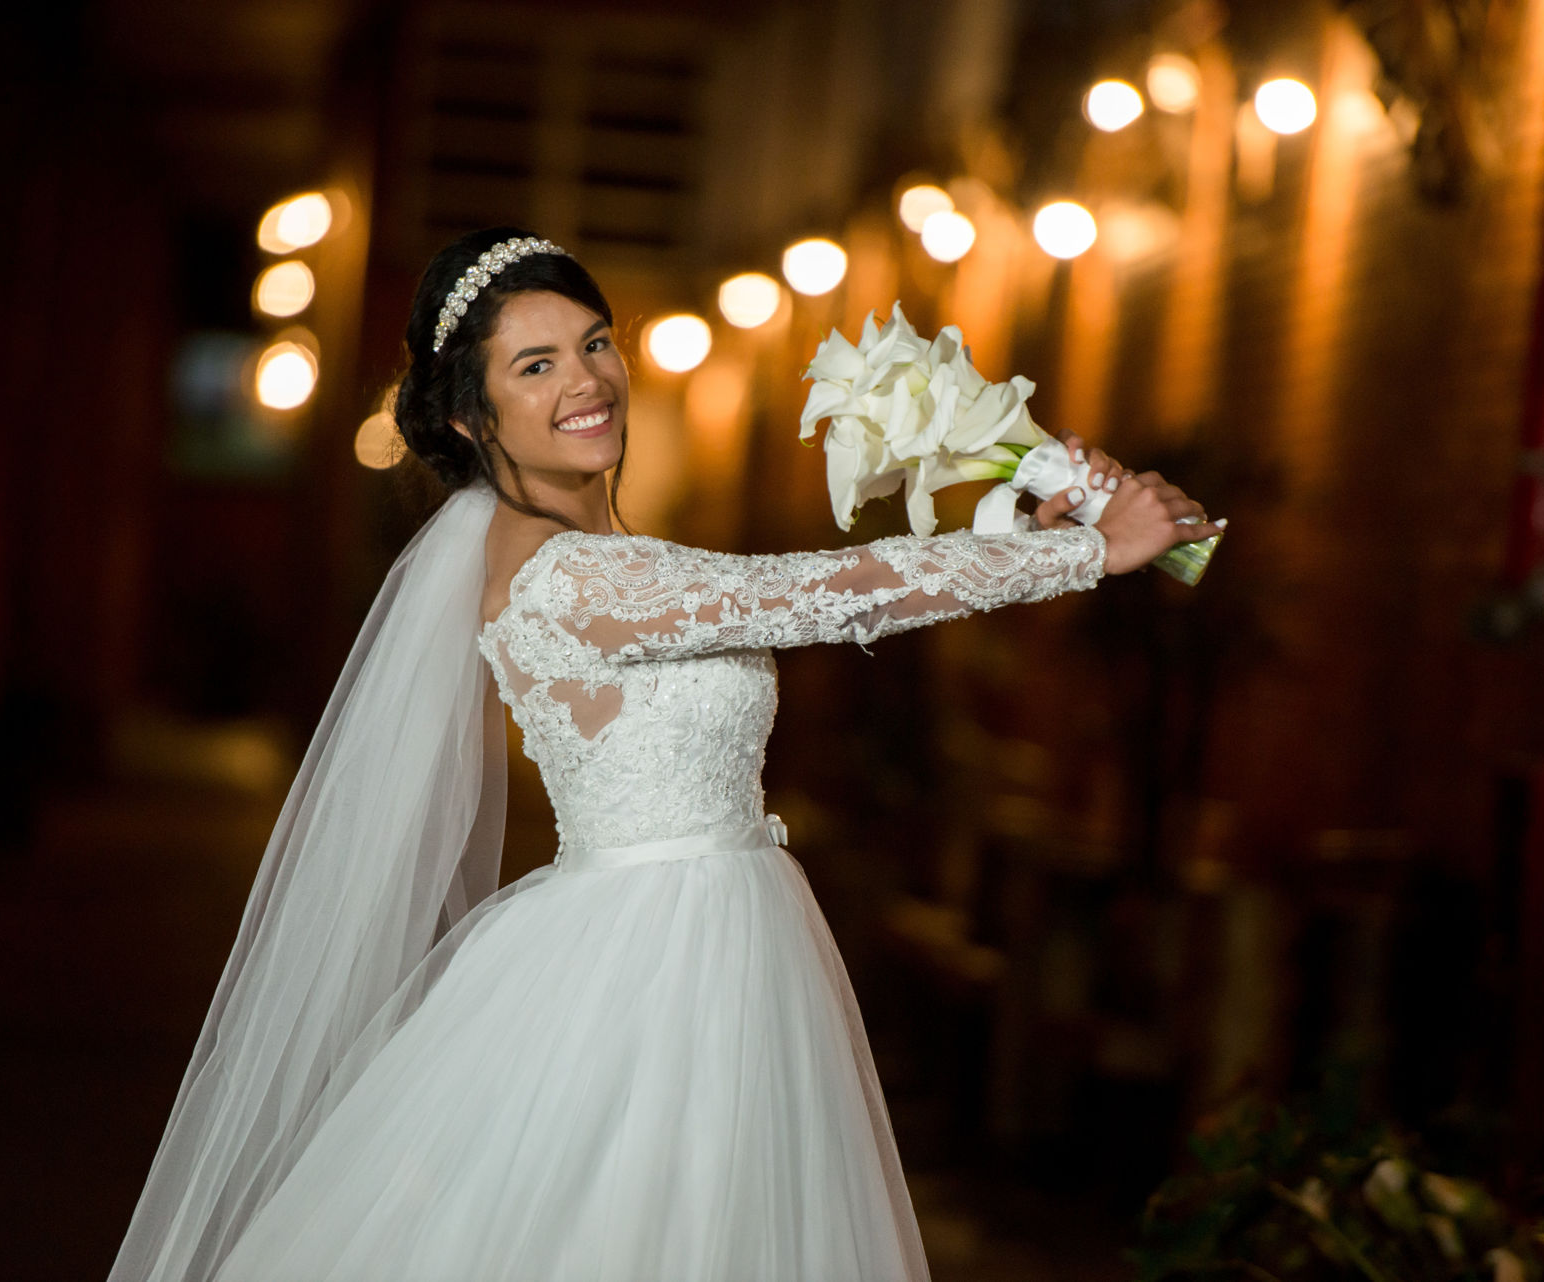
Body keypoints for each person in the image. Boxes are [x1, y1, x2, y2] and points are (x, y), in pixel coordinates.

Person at [108, 227, 1216, 1282]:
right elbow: (802, 596)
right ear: (466, 417)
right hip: (647, 961)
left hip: (724, 935)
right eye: (535, 365)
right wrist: (1076, 555)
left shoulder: (618, 555)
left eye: (594, 344)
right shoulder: (559, 572)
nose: (584, 382)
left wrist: (1042, 513)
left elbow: (779, 598)